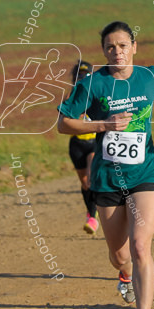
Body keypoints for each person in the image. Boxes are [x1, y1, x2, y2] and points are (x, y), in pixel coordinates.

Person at [57, 22, 154, 309]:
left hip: (145, 174)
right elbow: (63, 123)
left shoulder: (151, 76)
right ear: (104, 51)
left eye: (123, 45)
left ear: (134, 47)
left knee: (141, 247)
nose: (117, 52)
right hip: (107, 178)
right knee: (120, 254)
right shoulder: (92, 83)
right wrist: (102, 124)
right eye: (111, 47)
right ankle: (124, 275)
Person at [67, 61, 106, 236]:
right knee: (84, 183)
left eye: (86, 74)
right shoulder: (73, 96)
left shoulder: (97, 92)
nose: (83, 78)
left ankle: (93, 218)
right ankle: (91, 211)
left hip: (94, 143)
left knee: (90, 179)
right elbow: (66, 120)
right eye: (80, 75)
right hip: (76, 144)